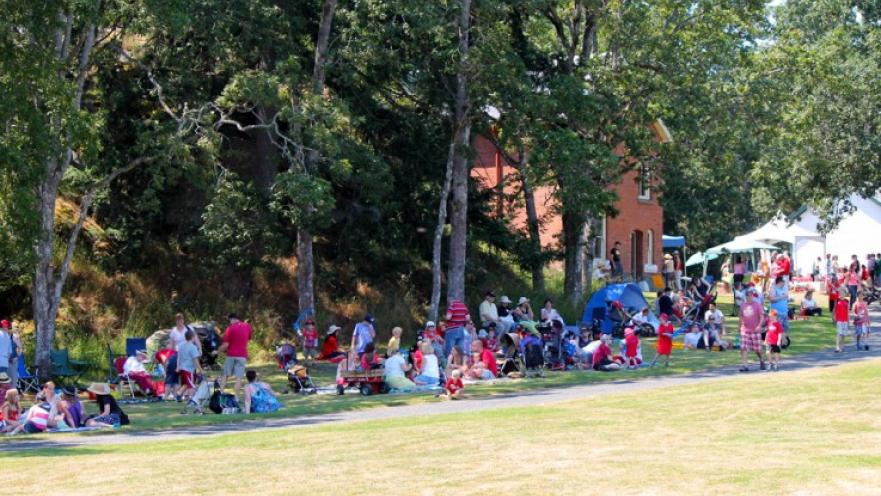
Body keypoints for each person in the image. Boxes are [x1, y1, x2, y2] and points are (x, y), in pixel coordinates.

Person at [216, 312, 253, 399]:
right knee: (239, 378)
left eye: (230, 320)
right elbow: (248, 338)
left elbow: (226, 344)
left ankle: (220, 394)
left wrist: (217, 351)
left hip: (231, 355)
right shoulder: (247, 326)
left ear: (232, 319)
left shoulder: (230, 328)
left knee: (226, 375)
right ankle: (236, 398)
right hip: (242, 355)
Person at [738, 289, 766, 372]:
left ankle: (762, 361)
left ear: (752, 296)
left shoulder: (757, 305)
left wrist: (759, 326)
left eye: (750, 295)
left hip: (755, 330)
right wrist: (739, 327)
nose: (749, 297)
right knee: (743, 348)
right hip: (745, 330)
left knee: (757, 349)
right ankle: (745, 365)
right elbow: (740, 317)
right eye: (747, 295)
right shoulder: (743, 305)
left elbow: (761, 317)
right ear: (745, 296)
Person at [176, 329, 202, 400]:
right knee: (191, 385)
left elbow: (179, 357)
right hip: (189, 369)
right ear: (193, 337)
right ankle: (192, 399)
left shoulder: (181, 346)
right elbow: (195, 360)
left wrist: (178, 367)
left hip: (182, 368)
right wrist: (200, 369)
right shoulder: (193, 347)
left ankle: (178, 394)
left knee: (186, 384)